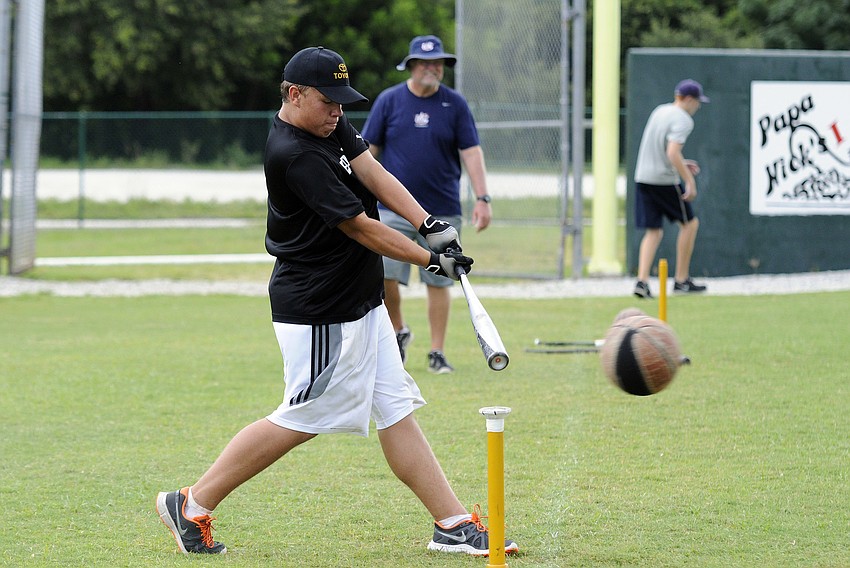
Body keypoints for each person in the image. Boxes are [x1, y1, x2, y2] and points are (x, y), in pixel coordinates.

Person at [154, 46, 518, 558]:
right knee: (302, 416)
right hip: (320, 311)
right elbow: (359, 226)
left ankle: (452, 523)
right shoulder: (294, 153)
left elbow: (372, 172)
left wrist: (428, 223)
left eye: (342, 103)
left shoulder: (329, 125)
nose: (337, 112)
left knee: (395, 407)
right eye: (328, 101)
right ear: (294, 94)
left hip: (359, 302)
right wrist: (429, 260)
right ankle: (191, 503)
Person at [361, 35, 492, 374]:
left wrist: (482, 198)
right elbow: (367, 153)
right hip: (393, 210)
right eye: (425, 63)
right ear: (412, 66)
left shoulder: (455, 104)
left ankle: (437, 351)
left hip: (442, 210)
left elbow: (472, 152)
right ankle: (399, 330)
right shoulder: (390, 101)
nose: (433, 69)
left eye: (438, 64)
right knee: (385, 274)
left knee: (440, 279)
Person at [632, 78, 709, 299]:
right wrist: (689, 182)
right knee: (690, 224)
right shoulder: (683, 119)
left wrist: (682, 165)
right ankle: (681, 280)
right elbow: (672, 153)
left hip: (643, 177)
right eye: (696, 102)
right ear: (687, 100)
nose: (698, 107)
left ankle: (642, 281)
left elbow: (660, 150)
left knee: (654, 231)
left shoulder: (660, 111)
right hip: (664, 181)